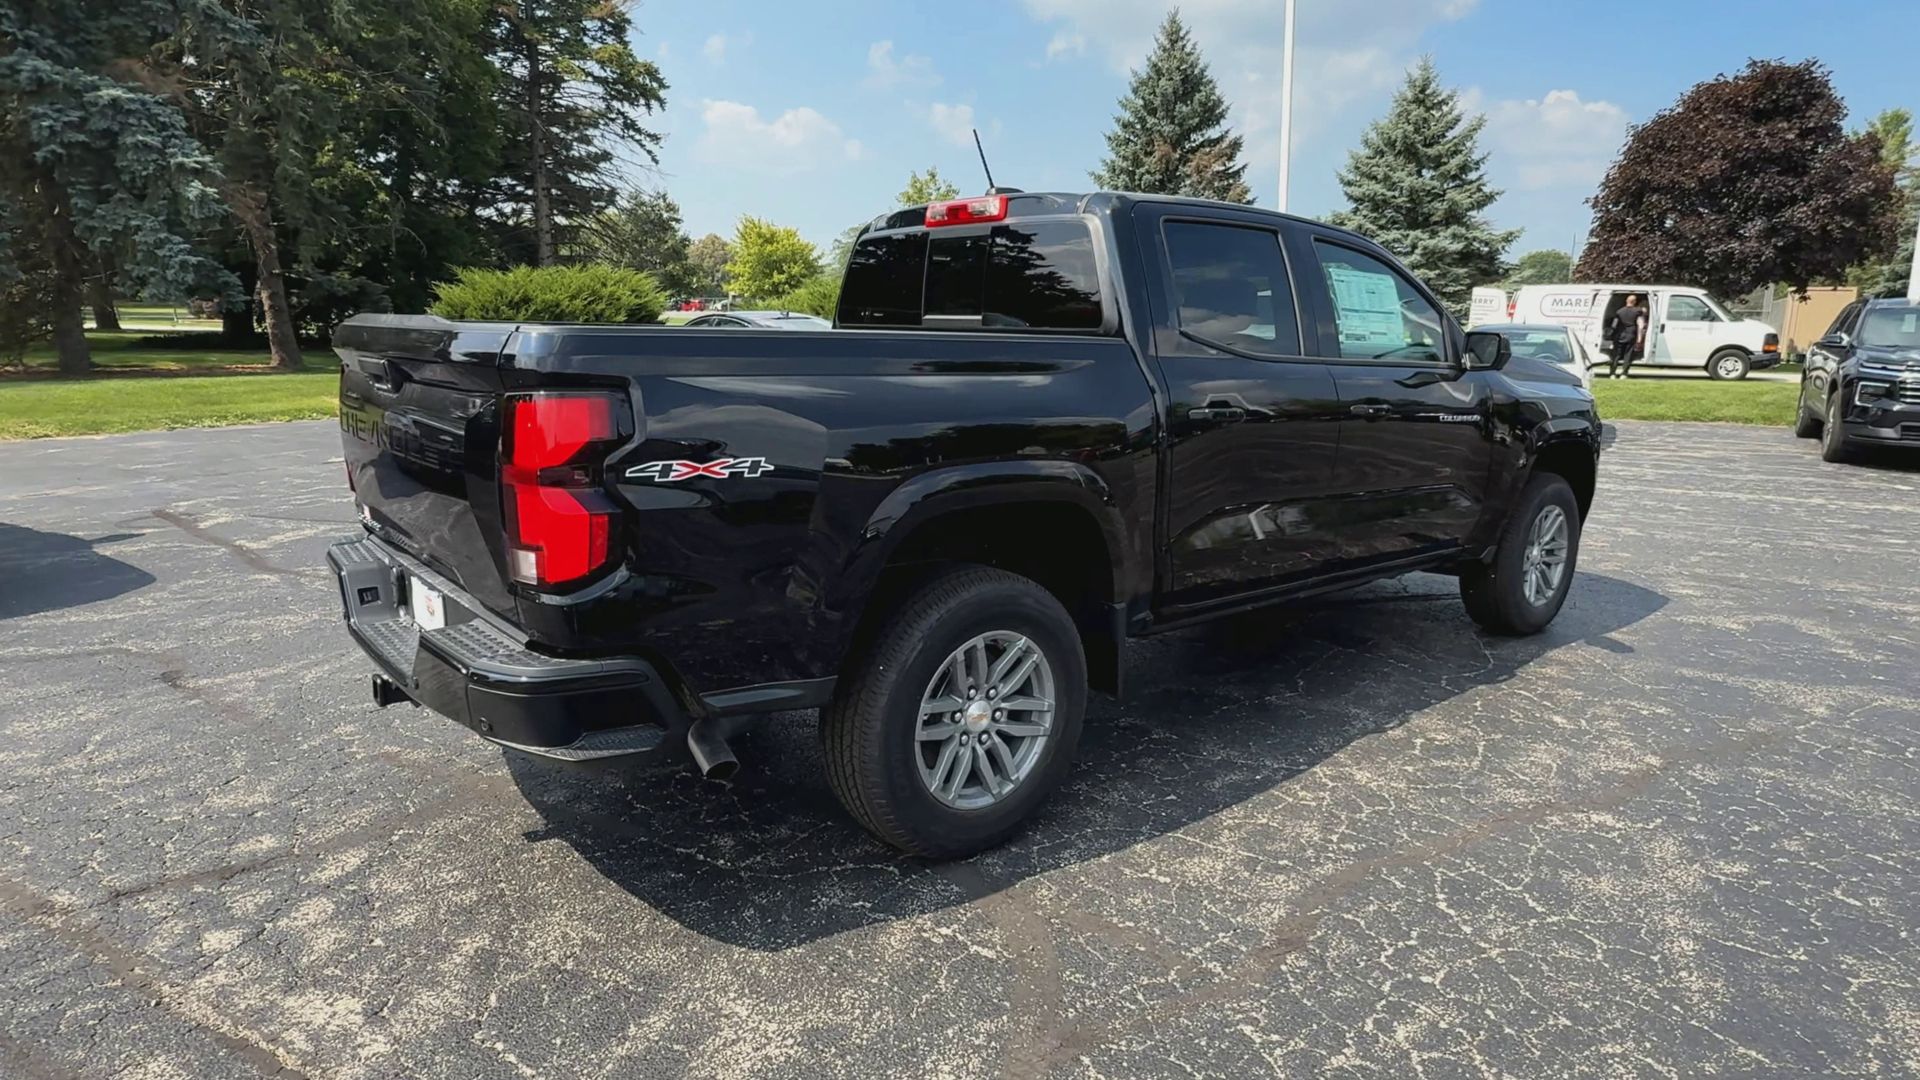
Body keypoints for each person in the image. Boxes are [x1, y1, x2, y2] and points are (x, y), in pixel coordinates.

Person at [1606, 294, 1647, 379]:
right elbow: (1641, 325)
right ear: (1634, 302)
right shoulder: (1638, 311)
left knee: (1616, 355)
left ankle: (1612, 373)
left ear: (1626, 301)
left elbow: (1614, 325)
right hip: (1631, 335)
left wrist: (1612, 335)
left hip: (1619, 335)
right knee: (1628, 355)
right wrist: (1639, 338)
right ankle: (1624, 373)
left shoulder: (1619, 311)